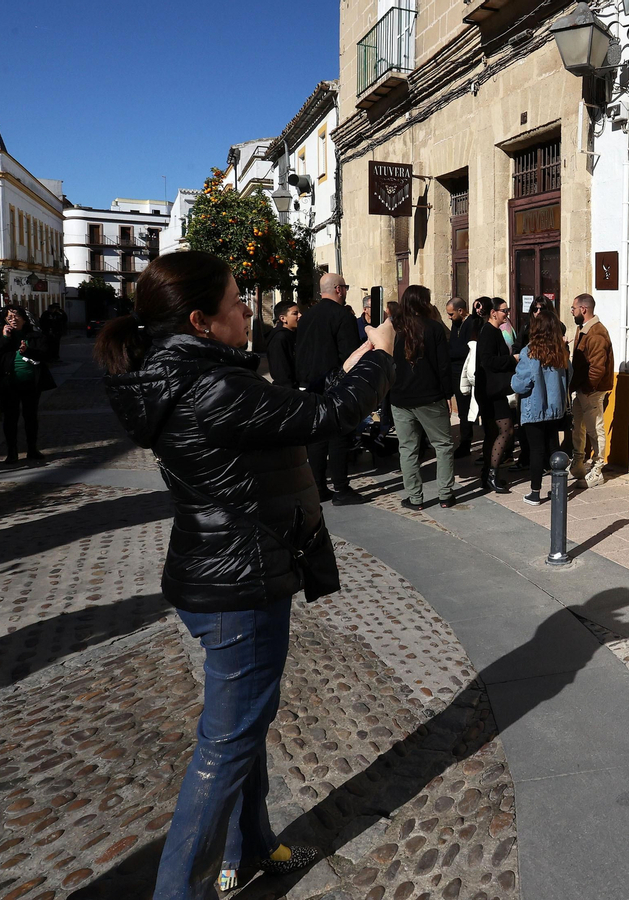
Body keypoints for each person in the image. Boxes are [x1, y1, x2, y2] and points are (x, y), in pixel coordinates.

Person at [97, 251, 396, 900]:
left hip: (217, 573)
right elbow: (320, 420)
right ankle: (184, 890)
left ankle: (250, 845)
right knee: (227, 743)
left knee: (243, 727)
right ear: (201, 321)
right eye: (237, 301)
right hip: (240, 581)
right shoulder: (212, 387)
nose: (247, 309)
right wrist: (378, 357)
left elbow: (287, 408)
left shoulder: (190, 377)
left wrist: (342, 372)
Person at [294, 272, 366, 504]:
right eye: (345, 287)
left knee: (317, 436)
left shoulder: (306, 317)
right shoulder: (341, 316)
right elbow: (350, 355)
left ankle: (319, 486)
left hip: (310, 384)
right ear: (338, 289)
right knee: (338, 437)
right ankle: (342, 489)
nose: (346, 291)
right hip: (335, 384)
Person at [388, 285, 457, 510]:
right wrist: (448, 394)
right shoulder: (434, 328)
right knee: (443, 445)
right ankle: (445, 494)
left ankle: (415, 498)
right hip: (430, 395)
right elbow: (443, 366)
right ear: (423, 303)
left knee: (408, 448)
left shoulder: (395, 328)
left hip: (400, 396)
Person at [511, 307, 570, 505]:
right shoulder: (561, 352)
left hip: (533, 409)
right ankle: (557, 490)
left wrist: (512, 379)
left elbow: (521, 383)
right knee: (553, 448)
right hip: (555, 409)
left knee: (536, 451)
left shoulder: (529, 352)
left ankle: (535, 492)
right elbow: (570, 375)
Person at [0, 305, 56, 464]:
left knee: (30, 417)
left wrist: (28, 351)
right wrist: (5, 338)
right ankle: (12, 452)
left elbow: (46, 355)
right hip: (9, 384)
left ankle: (32, 449)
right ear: (4, 320)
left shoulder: (35, 336)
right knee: (10, 418)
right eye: (9, 317)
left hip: (31, 383)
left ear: (24, 319)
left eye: (16, 316)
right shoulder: (0, 336)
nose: (13, 319)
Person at [568, 293, 614, 487]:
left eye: (573, 308)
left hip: (591, 390)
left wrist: (587, 388)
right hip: (582, 388)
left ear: (583, 309)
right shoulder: (584, 329)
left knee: (595, 428)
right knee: (577, 426)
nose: (572, 312)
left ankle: (597, 469)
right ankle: (578, 462)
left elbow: (597, 367)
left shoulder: (596, 333)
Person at [473, 298, 517, 493]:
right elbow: (488, 361)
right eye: (504, 310)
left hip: (490, 390)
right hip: (491, 391)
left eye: (507, 310)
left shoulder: (493, 331)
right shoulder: (489, 333)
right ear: (493, 313)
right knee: (505, 429)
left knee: (493, 432)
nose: (506, 314)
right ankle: (491, 473)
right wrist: (511, 359)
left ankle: (488, 475)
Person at [445, 297, 480, 458]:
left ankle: (466, 441)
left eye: (451, 314)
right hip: (454, 372)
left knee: (466, 409)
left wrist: (449, 353)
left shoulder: (471, 323)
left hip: (465, 373)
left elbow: (466, 349)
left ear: (460, 311)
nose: (449, 317)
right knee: (460, 409)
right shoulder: (456, 324)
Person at [266, 299, 300, 386]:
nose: (300, 316)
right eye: (295, 313)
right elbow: (281, 370)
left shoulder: (294, 334)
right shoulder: (279, 338)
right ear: (283, 318)